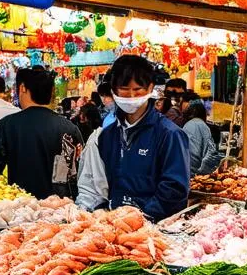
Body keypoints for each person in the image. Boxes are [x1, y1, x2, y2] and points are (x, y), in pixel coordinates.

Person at [76, 55, 189, 221]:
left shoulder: (170, 134)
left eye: (138, 89)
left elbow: (175, 188)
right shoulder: (106, 136)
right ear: (114, 90)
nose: (131, 95)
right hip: (115, 226)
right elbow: (97, 186)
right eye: (124, 88)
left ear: (150, 88)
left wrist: (141, 218)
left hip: (157, 228)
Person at [0, 68, 83, 199]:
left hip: (21, 208)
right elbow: (80, 174)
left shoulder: (7, 125)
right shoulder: (69, 128)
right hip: (61, 210)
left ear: (22, 88)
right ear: (51, 91)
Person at [182, 99, 220, 176]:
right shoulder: (201, 125)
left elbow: (193, 155)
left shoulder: (190, 125)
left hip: (189, 174)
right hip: (195, 174)